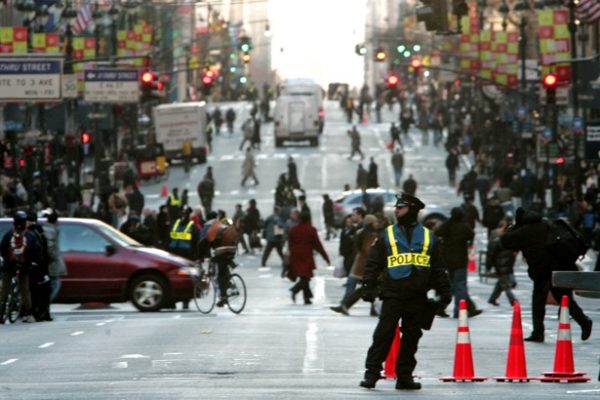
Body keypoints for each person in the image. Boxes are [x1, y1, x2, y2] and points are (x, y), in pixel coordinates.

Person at [359, 193, 452, 390]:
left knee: (411, 338)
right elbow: (374, 263)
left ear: (412, 210)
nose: (396, 210)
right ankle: (372, 373)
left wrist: (445, 291)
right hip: (393, 294)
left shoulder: (429, 237)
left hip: (417, 296)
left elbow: (438, 267)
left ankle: (405, 376)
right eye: (396, 208)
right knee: (383, 335)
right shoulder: (387, 234)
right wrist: (368, 286)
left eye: (400, 208)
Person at [500, 207, 593, 342]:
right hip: (559, 266)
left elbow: (505, 241)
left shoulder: (524, 231)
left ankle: (538, 332)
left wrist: (514, 227)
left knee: (538, 301)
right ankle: (584, 322)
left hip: (543, 270)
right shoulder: (547, 223)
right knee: (563, 299)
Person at [435, 207, 483, 318]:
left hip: (448, 260)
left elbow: (437, 233)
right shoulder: (464, 227)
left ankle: (441, 308)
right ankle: (459, 311)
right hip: (460, 260)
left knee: (452, 286)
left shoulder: (447, 226)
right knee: (460, 286)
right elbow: (471, 234)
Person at [330, 214, 380, 316]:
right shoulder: (369, 235)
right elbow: (369, 251)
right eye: (375, 222)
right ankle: (346, 304)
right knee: (367, 287)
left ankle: (371, 309)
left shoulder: (364, 233)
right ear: (370, 223)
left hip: (362, 264)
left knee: (370, 287)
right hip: (366, 265)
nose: (377, 224)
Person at [0, 211, 41, 323]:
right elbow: (36, 251)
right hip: (24, 267)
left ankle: (1, 310)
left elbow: (2, 249)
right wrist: (32, 263)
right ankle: (29, 313)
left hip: (9, 266)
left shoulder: (8, 235)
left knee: (4, 289)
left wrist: (6, 260)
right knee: (25, 290)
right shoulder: (30, 235)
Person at [198, 211, 239, 307]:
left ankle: (223, 297)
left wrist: (200, 258)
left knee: (218, 275)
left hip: (221, 251)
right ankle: (232, 286)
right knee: (224, 269)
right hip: (232, 249)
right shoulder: (220, 223)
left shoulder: (207, 227)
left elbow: (202, 244)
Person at [288, 211, 330, 304]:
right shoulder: (311, 230)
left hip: (295, 255)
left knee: (303, 276)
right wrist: (325, 256)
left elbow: (290, 244)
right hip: (306, 255)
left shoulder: (293, 229)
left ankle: (307, 298)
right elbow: (317, 245)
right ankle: (295, 290)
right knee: (306, 277)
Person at [26, 211, 52, 322]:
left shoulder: (29, 233)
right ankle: (44, 312)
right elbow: (46, 251)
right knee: (43, 290)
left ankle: (36, 313)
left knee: (33, 290)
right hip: (43, 267)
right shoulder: (41, 231)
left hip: (34, 266)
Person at [487, 218, 517, 307]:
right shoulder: (502, 239)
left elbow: (492, 253)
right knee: (505, 284)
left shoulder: (505, 238)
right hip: (502, 264)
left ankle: (492, 298)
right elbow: (493, 253)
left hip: (503, 264)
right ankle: (513, 300)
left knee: (501, 283)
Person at [41, 208, 67, 305]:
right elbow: (50, 247)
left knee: (54, 284)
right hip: (51, 263)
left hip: (51, 262)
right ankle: (44, 305)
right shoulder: (51, 230)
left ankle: (44, 306)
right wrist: (54, 258)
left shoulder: (50, 229)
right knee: (55, 284)